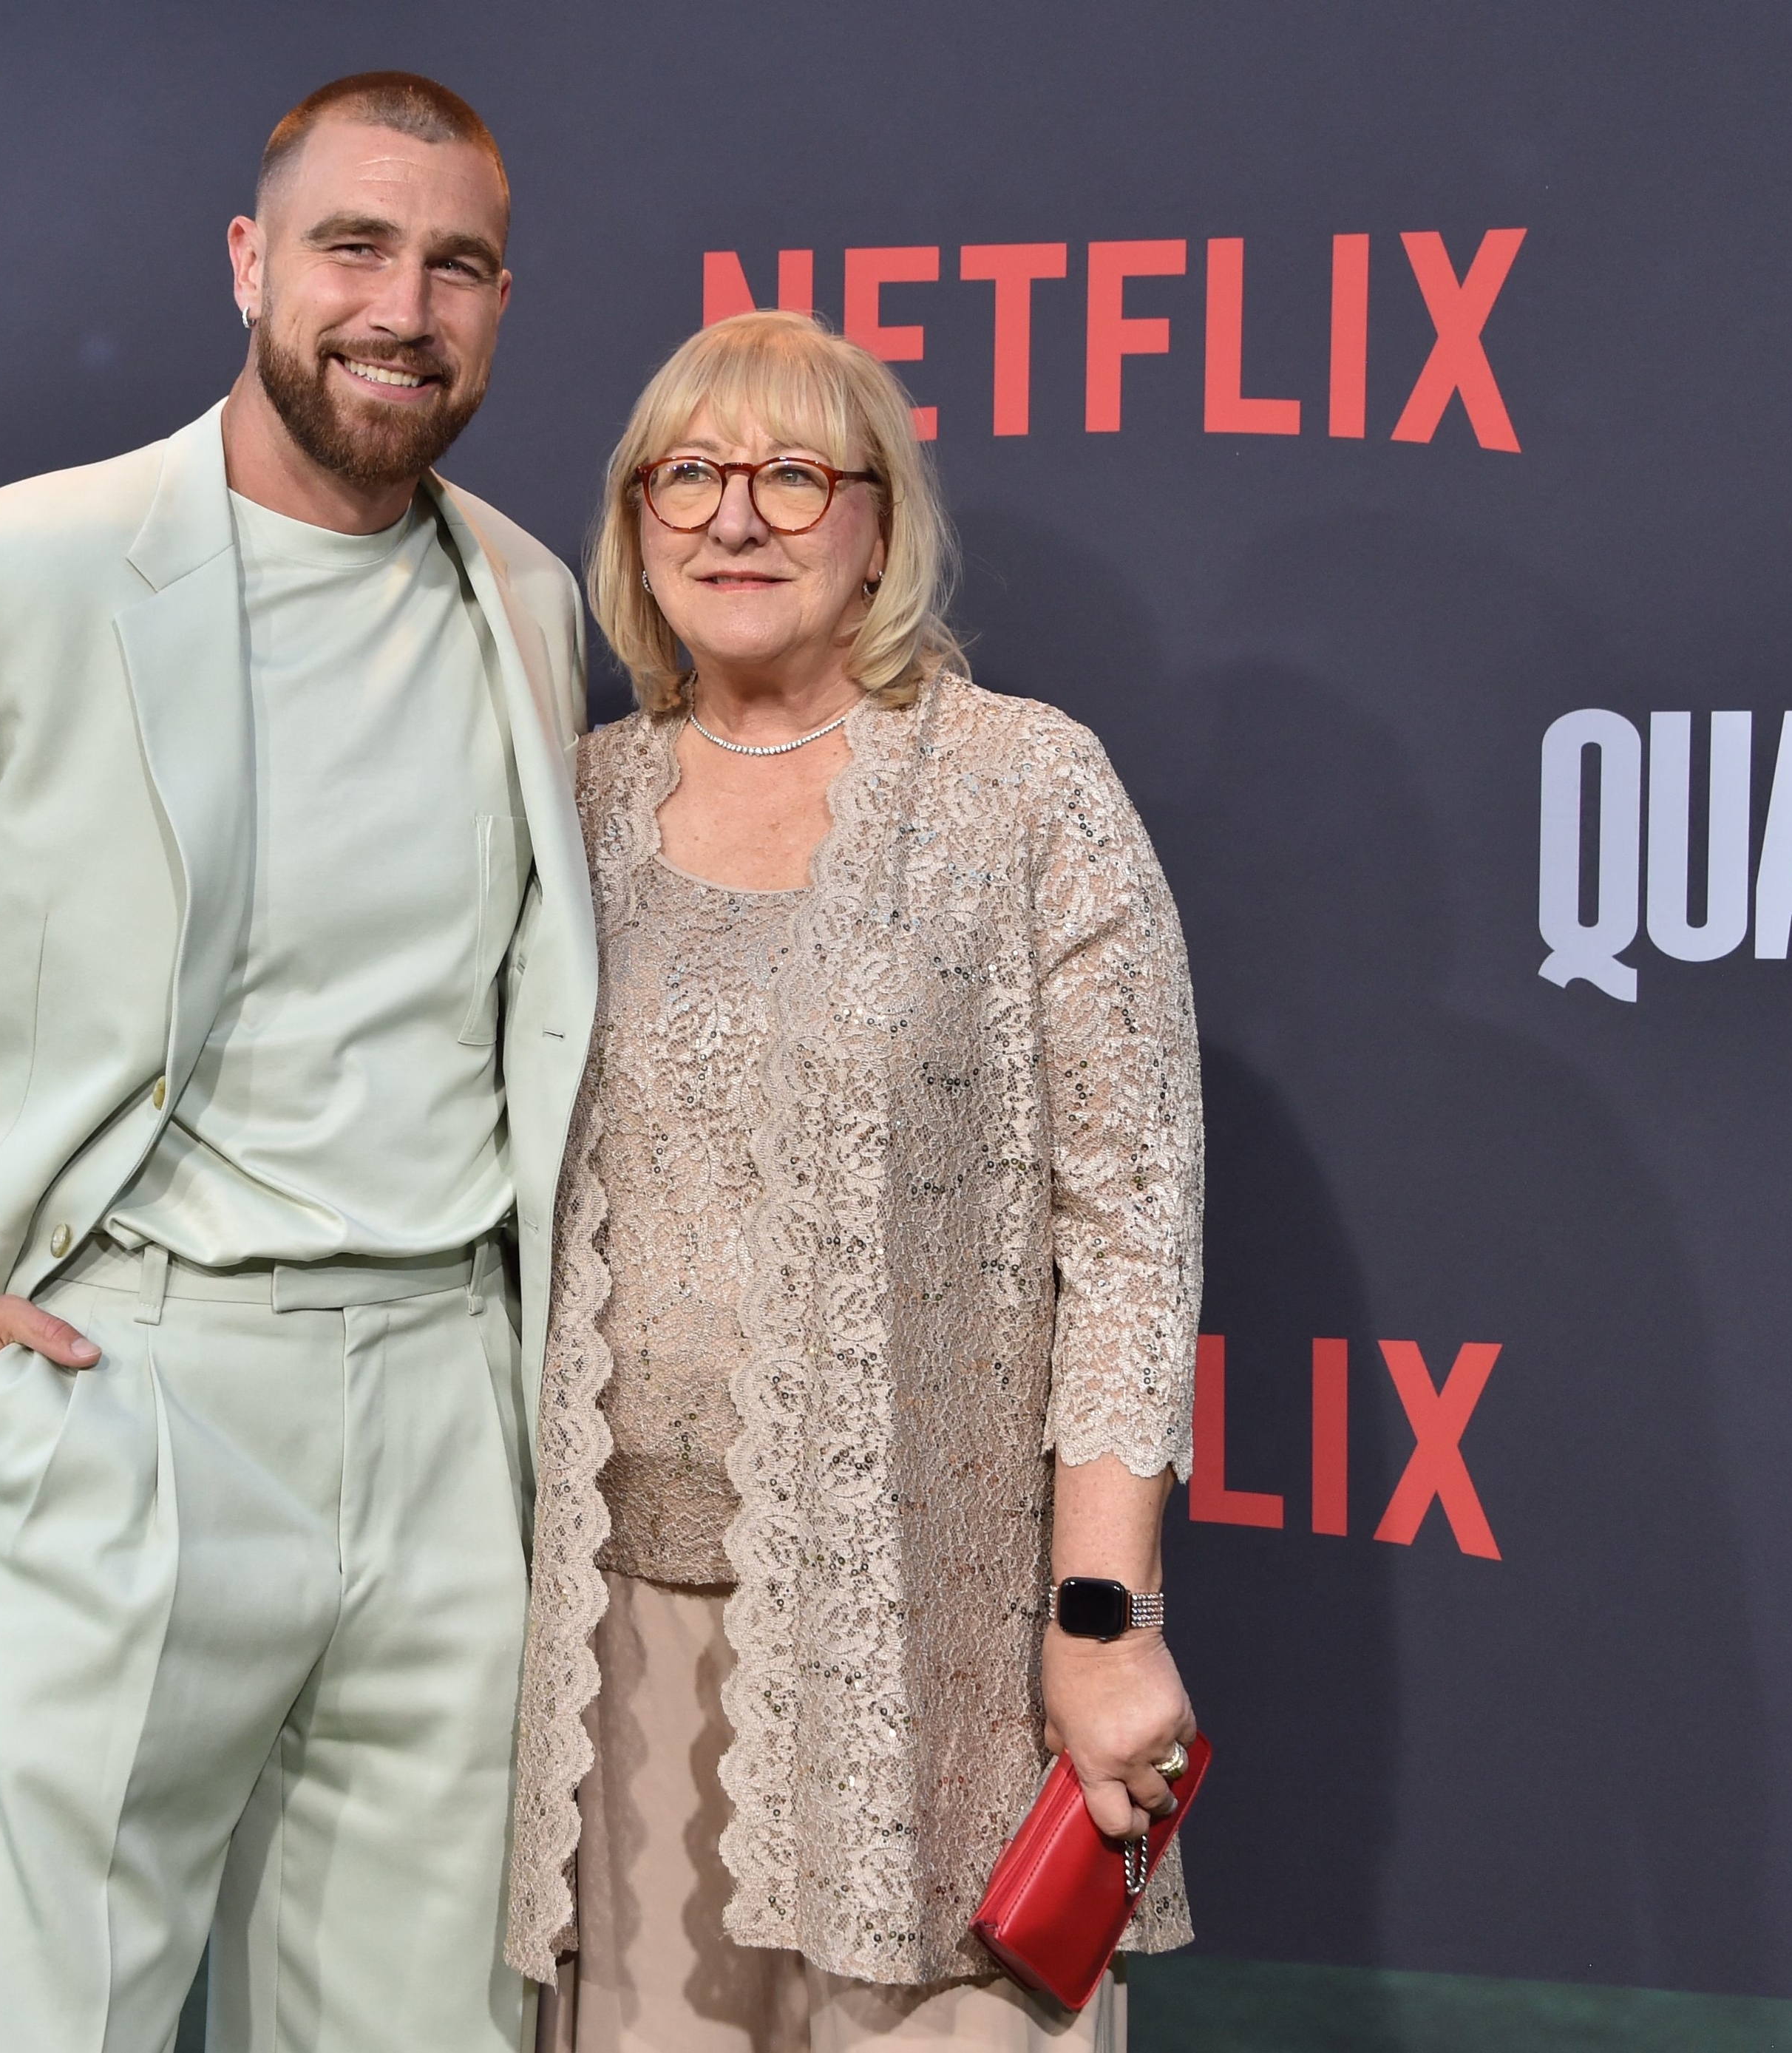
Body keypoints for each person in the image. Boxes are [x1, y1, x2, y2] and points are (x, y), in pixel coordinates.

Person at [0, 72, 593, 2053]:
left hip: (451, 1423)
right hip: (129, 1395)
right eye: (355, 244)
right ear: (253, 261)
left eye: (458, 264)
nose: (402, 306)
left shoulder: (532, 596)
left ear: (504, 303)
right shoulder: (14, 570)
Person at [505, 311, 1204, 2051]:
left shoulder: (1024, 790)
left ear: (877, 525)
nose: (733, 519)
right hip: (617, 1668)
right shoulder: (563, 807)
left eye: (791, 476)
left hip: (936, 1662)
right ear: (632, 523)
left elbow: (1127, 1238)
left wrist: (1104, 1620)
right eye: (688, 477)